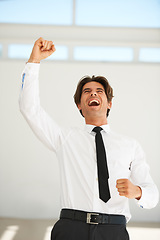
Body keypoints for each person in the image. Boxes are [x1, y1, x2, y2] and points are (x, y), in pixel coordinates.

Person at [19, 38, 159, 240]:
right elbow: (29, 109)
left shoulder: (130, 145)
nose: (93, 93)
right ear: (79, 105)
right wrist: (34, 61)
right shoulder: (64, 138)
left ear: (109, 103)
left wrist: (137, 191)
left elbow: (152, 194)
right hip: (71, 229)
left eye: (99, 91)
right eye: (87, 92)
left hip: (114, 231)